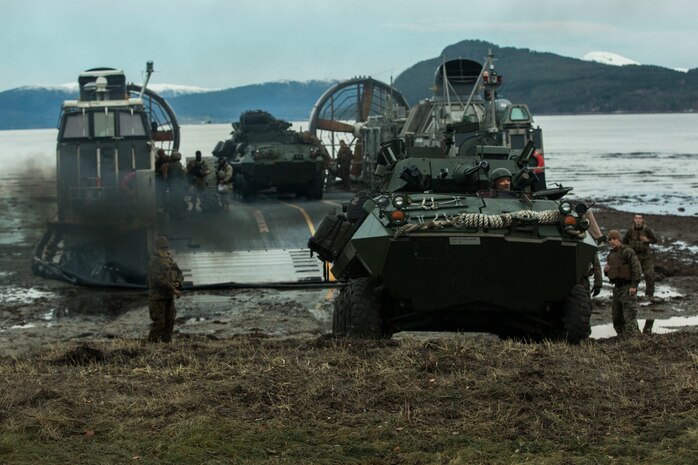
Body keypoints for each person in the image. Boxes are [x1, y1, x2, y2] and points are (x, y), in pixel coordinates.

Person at [603, 229, 642, 337]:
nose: (612, 241)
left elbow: (636, 269)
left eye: (614, 239)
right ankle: (623, 339)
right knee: (617, 317)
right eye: (610, 239)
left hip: (627, 286)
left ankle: (634, 340)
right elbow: (612, 272)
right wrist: (606, 271)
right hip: (617, 288)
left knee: (629, 315)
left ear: (619, 239)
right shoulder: (611, 255)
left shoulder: (627, 252)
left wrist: (634, 286)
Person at [146, 236, 184, 343]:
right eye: (162, 249)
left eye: (166, 249)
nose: (165, 251)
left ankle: (166, 345)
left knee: (170, 322)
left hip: (168, 297)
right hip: (157, 298)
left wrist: (178, 283)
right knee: (159, 324)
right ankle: (152, 346)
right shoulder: (153, 262)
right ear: (157, 250)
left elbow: (179, 273)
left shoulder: (170, 260)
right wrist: (174, 290)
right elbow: (159, 280)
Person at [622, 214, 658, 302]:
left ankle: (649, 295)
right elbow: (624, 242)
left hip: (646, 257)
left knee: (649, 275)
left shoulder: (647, 230)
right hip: (634, 257)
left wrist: (647, 240)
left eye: (640, 218)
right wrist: (628, 250)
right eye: (636, 218)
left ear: (642, 220)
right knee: (633, 276)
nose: (638, 220)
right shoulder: (630, 231)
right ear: (634, 220)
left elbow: (655, 240)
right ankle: (632, 295)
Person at [167, 152, 188, 218]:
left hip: (171, 185)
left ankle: (172, 214)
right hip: (178, 185)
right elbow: (183, 176)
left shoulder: (169, 165)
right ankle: (178, 214)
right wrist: (186, 185)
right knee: (178, 199)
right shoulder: (178, 165)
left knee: (173, 200)